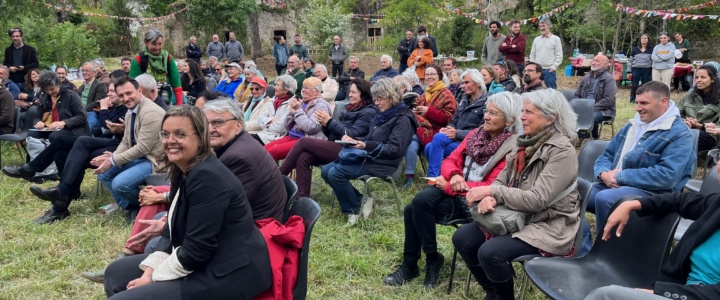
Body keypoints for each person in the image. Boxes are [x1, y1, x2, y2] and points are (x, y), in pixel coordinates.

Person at [103, 106, 272, 299]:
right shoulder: (183, 168)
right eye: (165, 134)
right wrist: (148, 272)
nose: (170, 141)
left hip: (227, 273)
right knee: (115, 273)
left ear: (200, 138)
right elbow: (171, 229)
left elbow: (197, 250)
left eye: (180, 134)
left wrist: (153, 279)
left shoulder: (208, 177)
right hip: (204, 261)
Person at [384, 92, 521, 289]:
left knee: (413, 209)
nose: (486, 117)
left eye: (493, 113)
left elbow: (494, 187)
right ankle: (428, 259)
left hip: (477, 201)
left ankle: (418, 263)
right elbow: (451, 160)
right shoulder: (477, 134)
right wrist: (455, 174)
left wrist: (450, 186)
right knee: (417, 204)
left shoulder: (513, 147)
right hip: (458, 188)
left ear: (510, 120)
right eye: (486, 111)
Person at [453, 88, 580, 300]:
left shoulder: (562, 151)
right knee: (462, 238)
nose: (522, 117)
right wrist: (491, 197)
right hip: (516, 213)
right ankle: (493, 292)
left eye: (529, 112)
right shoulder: (524, 141)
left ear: (551, 118)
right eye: (522, 111)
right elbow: (504, 178)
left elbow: (537, 200)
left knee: (491, 253)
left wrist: (493, 191)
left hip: (548, 223)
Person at [582, 81, 695, 255]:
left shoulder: (680, 134)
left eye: (644, 103)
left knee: (606, 198)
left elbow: (667, 176)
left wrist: (621, 177)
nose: (637, 108)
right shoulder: (633, 125)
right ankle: (581, 249)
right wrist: (603, 174)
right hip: (613, 183)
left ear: (663, 102)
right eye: (636, 102)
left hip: (654, 193)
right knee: (573, 192)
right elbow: (607, 155)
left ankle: (609, 257)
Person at [4, 82, 127, 224]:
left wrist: (104, 109)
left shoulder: (124, 108)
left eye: (113, 91)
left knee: (79, 147)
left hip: (117, 147)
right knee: (60, 147)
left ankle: (60, 203)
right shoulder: (116, 107)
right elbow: (101, 129)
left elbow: (104, 126)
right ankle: (36, 173)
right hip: (103, 142)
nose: (109, 94)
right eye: (109, 90)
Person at [585, 172, 720, 300]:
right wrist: (632, 204)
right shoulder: (716, 205)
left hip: (691, 295)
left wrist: (662, 292)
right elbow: (679, 200)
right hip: (683, 288)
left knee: (606, 296)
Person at [323, 78, 418, 225]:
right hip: (370, 157)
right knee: (326, 170)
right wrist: (354, 140)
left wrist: (366, 145)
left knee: (335, 173)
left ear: (391, 96)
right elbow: (369, 138)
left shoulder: (403, 119)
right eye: (375, 99)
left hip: (385, 163)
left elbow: (394, 149)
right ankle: (363, 200)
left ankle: (354, 210)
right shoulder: (383, 114)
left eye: (380, 99)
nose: (377, 103)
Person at [280, 79, 377, 199]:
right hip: (339, 146)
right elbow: (337, 132)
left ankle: (278, 177)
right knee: (304, 157)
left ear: (363, 94)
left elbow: (351, 135)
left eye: (354, 92)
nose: (350, 95)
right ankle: (302, 197)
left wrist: (329, 122)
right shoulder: (351, 108)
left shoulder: (368, 112)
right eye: (350, 92)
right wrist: (326, 125)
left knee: (303, 142)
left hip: (351, 151)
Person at [95, 77, 166, 218]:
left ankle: (145, 205)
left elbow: (143, 148)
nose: (125, 98)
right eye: (121, 95)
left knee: (119, 184)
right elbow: (126, 141)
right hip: (141, 158)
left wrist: (113, 160)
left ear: (139, 91)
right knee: (103, 173)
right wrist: (113, 158)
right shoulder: (130, 111)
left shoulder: (151, 112)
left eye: (129, 93)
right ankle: (132, 206)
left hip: (155, 161)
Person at [424, 69, 489, 179]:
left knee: (431, 146)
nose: (463, 86)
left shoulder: (487, 102)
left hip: (471, 143)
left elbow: (483, 131)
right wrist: (449, 129)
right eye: (462, 83)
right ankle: (439, 177)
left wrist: (457, 133)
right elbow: (454, 121)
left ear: (478, 83)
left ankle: (433, 178)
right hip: (456, 139)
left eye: (466, 82)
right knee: (431, 145)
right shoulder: (465, 101)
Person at [402, 65, 457, 188]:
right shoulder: (424, 93)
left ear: (439, 76)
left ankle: (429, 179)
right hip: (422, 131)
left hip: (438, 132)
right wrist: (416, 112)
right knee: (410, 143)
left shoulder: (446, 94)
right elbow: (417, 112)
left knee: (411, 139)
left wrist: (428, 111)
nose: (429, 77)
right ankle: (409, 178)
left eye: (432, 74)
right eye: (427, 74)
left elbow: (447, 119)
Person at [263, 77, 331, 161]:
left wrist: (298, 110)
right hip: (291, 136)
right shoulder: (302, 102)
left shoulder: (321, 105)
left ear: (316, 91)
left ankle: (273, 174)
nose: (303, 90)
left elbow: (312, 128)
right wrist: (291, 114)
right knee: (262, 151)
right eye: (303, 87)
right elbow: (286, 126)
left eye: (307, 88)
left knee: (272, 152)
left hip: (305, 140)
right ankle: (272, 172)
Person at [129, 29, 184, 106]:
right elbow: (133, 85)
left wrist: (180, 104)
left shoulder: (168, 58)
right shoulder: (138, 60)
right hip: (145, 103)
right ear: (146, 43)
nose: (157, 47)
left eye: (160, 44)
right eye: (154, 44)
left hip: (166, 101)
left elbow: (176, 83)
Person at [574, 54, 617, 139]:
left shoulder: (609, 79)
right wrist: (578, 106)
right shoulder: (585, 78)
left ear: (604, 65)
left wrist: (590, 108)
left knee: (592, 116)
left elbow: (609, 100)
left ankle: (593, 138)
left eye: (597, 61)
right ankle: (579, 136)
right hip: (584, 108)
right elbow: (576, 95)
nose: (593, 63)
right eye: (593, 60)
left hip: (604, 111)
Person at [678, 65, 720, 152]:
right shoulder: (689, 95)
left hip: (709, 135)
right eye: (697, 77)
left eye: (703, 77)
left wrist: (701, 125)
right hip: (686, 130)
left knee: (685, 139)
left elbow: (718, 127)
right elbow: (677, 115)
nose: (698, 80)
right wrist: (685, 121)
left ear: (713, 79)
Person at [250, 75, 297, 145]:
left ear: (286, 90)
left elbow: (281, 128)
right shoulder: (273, 100)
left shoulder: (292, 104)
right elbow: (260, 118)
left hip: (276, 138)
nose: (274, 87)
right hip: (263, 133)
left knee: (245, 140)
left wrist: (266, 122)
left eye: (277, 85)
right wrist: (271, 120)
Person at [529, 19, 563, 89]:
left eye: (544, 25)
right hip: (537, 70)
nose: (542, 28)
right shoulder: (536, 39)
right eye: (540, 26)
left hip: (549, 70)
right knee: (535, 90)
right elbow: (532, 54)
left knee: (551, 91)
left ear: (549, 26)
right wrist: (533, 66)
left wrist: (553, 68)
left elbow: (559, 56)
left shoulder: (556, 39)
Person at [79, 62, 109, 131]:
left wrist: (83, 110)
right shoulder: (82, 86)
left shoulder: (100, 85)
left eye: (87, 71)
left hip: (91, 111)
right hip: (79, 111)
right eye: (83, 71)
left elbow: (97, 101)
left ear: (94, 73)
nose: (84, 73)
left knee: (89, 125)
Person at [628, 34, 654, 103]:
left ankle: (645, 99)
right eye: (642, 38)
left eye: (645, 38)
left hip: (647, 69)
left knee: (645, 85)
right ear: (640, 39)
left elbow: (654, 60)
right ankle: (633, 99)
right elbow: (630, 61)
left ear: (648, 40)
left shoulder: (652, 49)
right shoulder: (635, 49)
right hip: (636, 69)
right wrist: (629, 71)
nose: (644, 39)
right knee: (635, 85)